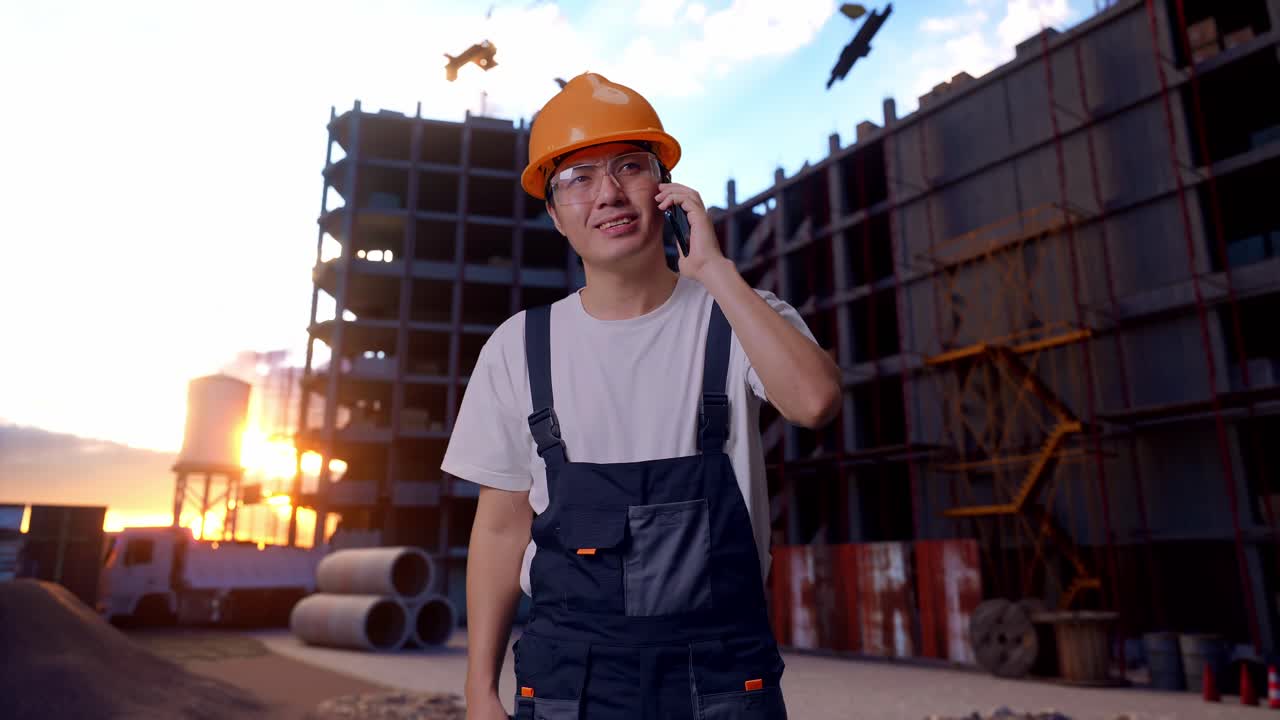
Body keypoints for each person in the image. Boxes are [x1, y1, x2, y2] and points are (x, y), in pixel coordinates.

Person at [443, 72, 842, 720]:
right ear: (554, 213)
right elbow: (499, 526)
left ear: (665, 189)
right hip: (570, 684)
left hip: (719, 682)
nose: (608, 192)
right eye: (579, 177)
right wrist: (478, 690)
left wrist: (715, 270)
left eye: (629, 166)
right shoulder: (519, 348)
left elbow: (816, 401)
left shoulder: (738, 317)